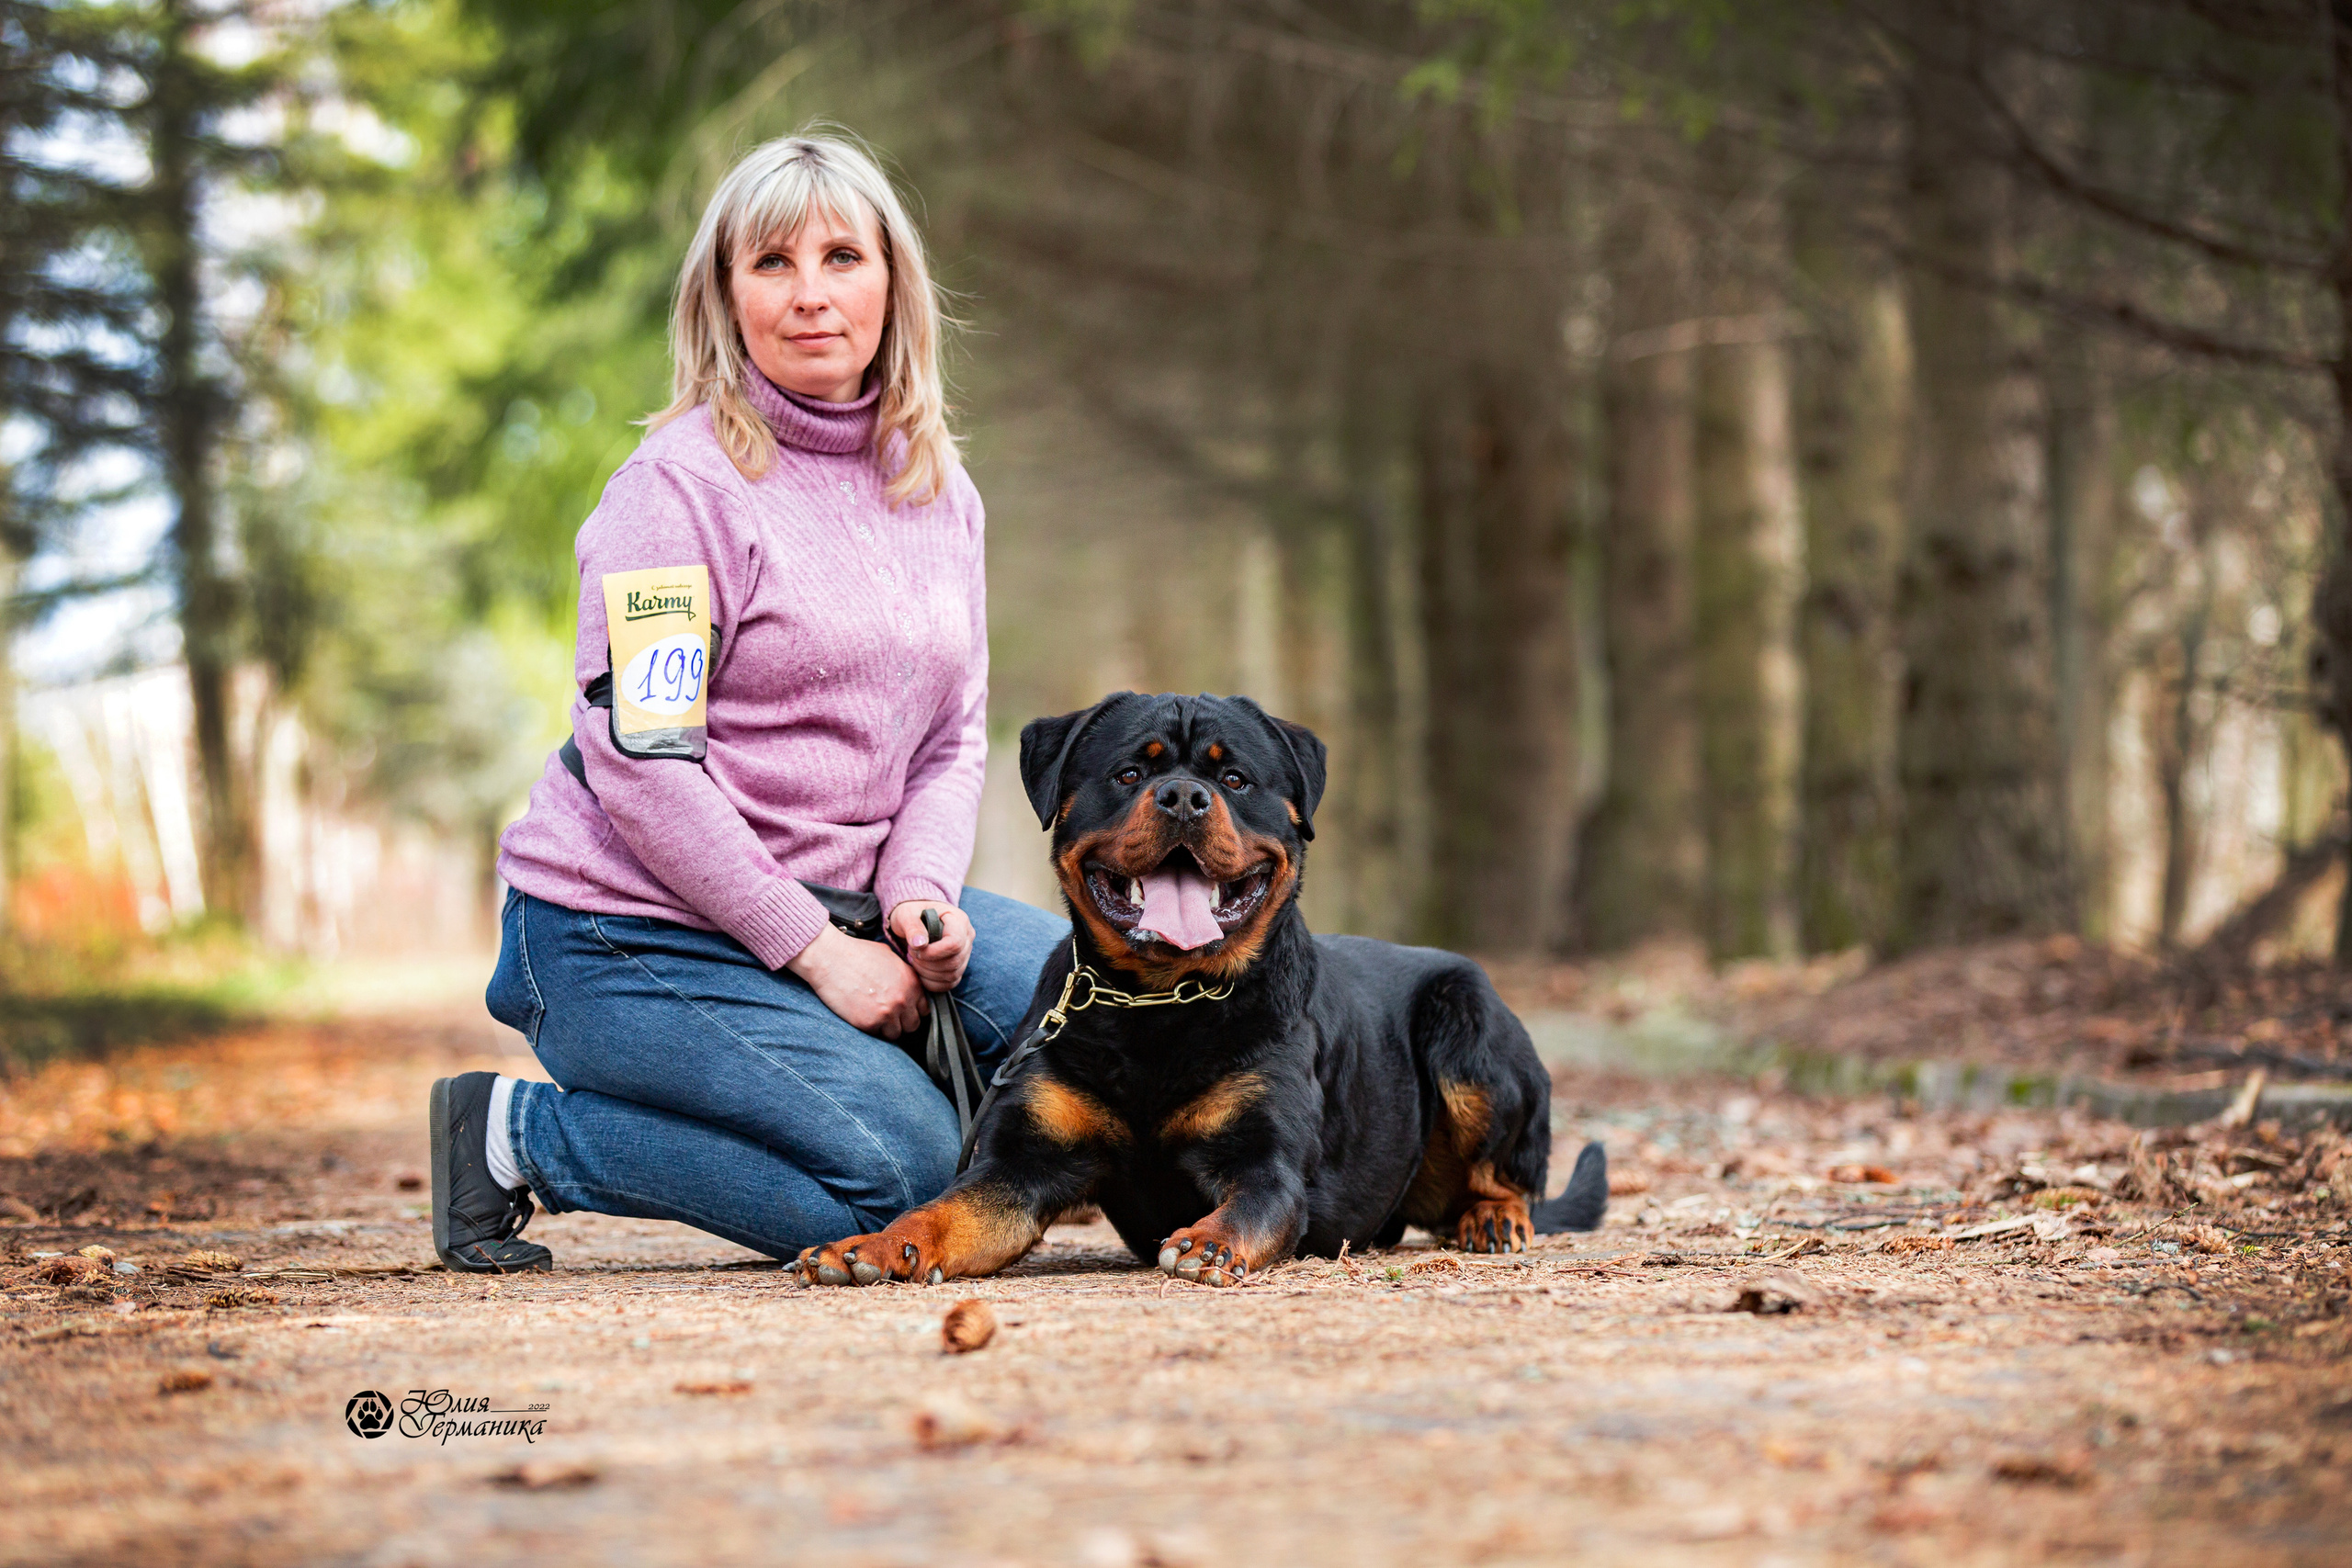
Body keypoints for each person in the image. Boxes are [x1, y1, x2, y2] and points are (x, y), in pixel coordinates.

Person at [429, 131, 1068, 1273]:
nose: (812, 296)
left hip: (856, 901)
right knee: (904, 1177)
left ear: (893, 281)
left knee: (1106, 1019)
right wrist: (820, 956)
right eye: (772, 264)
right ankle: (517, 1139)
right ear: (725, 295)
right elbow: (645, 763)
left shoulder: (935, 484)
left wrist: (918, 898)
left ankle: (855, 1063)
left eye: (842, 257)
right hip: (623, 929)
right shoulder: (677, 493)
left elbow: (950, 737)